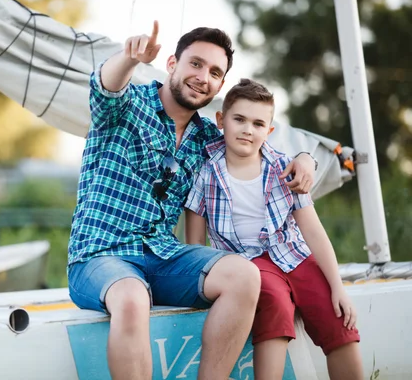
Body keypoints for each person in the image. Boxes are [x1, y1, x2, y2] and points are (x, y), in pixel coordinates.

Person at [67, 21, 317, 379]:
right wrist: (128, 57)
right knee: (132, 298)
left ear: (220, 85)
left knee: (244, 276)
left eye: (215, 72)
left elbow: (260, 148)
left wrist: (307, 158)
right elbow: (105, 87)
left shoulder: (205, 138)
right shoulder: (128, 104)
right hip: (100, 255)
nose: (203, 77)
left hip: (162, 254)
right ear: (172, 64)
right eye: (195, 64)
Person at [185, 78, 363, 379]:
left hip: (294, 255)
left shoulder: (285, 167)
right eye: (239, 119)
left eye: (257, 124)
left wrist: (338, 287)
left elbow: (313, 230)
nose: (247, 129)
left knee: (338, 317)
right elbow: (195, 242)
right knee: (275, 304)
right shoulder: (206, 171)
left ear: (269, 131)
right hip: (247, 264)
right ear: (221, 120)